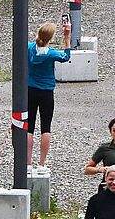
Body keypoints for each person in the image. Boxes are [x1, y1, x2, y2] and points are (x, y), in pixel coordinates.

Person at [27, 22, 73, 166]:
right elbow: (66, 57)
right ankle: (41, 163)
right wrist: (67, 37)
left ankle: (27, 163)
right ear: (51, 38)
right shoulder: (51, 53)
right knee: (46, 127)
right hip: (46, 92)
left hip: (30, 89)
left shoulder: (29, 48)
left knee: (29, 127)